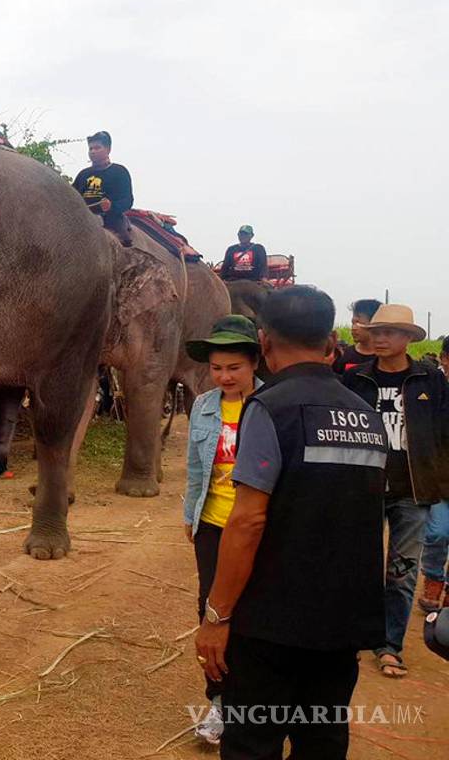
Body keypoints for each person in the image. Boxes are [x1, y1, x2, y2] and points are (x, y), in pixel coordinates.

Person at [195, 286, 389, 760]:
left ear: (263, 342)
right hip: (341, 624)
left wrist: (216, 616)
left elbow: (247, 522)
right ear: (331, 344)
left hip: (270, 625)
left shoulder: (269, 408)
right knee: (322, 740)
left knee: (252, 742)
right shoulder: (367, 417)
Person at [342, 303, 449, 678]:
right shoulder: (355, 379)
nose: (381, 338)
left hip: (412, 492)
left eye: (391, 332)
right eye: (377, 331)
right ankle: (354, 637)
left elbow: (444, 435)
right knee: (358, 567)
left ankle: (390, 646)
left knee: (402, 572)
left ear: (408, 339)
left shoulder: (430, 379)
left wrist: (440, 483)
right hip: (364, 489)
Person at [182, 316, 262, 746]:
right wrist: (189, 515)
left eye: (234, 367)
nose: (224, 376)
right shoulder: (204, 405)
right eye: (217, 368)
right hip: (213, 524)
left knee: (256, 612)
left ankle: (258, 702)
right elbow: (196, 469)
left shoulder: (273, 405)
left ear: (253, 363)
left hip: (258, 528)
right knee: (211, 612)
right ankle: (219, 702)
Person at [72, 131, 134, 246]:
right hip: (83, 218)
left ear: (108, 149)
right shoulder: (83, 174)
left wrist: (111, 206)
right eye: (90, 149)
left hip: (110, 220)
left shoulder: (119, 171)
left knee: (124, 247)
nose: (93, 152)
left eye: (97, 148)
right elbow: (71, 196)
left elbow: (127, 200)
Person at [331, 298, 382, 374]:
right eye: (353, 323)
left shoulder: (385, 358)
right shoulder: (342, 356)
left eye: (358, 322)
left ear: (374, 324)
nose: (353, 328)